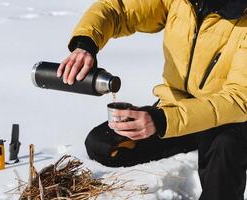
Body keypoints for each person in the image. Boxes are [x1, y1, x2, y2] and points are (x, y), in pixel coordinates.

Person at [57, 0, 247, 199]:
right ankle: (192, 138)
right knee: (103, 144)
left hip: (229, 119)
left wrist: (161, 120)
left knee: (225, 154)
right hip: (175, 109)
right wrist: (86, 44)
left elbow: (238, 99)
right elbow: (119, 8)